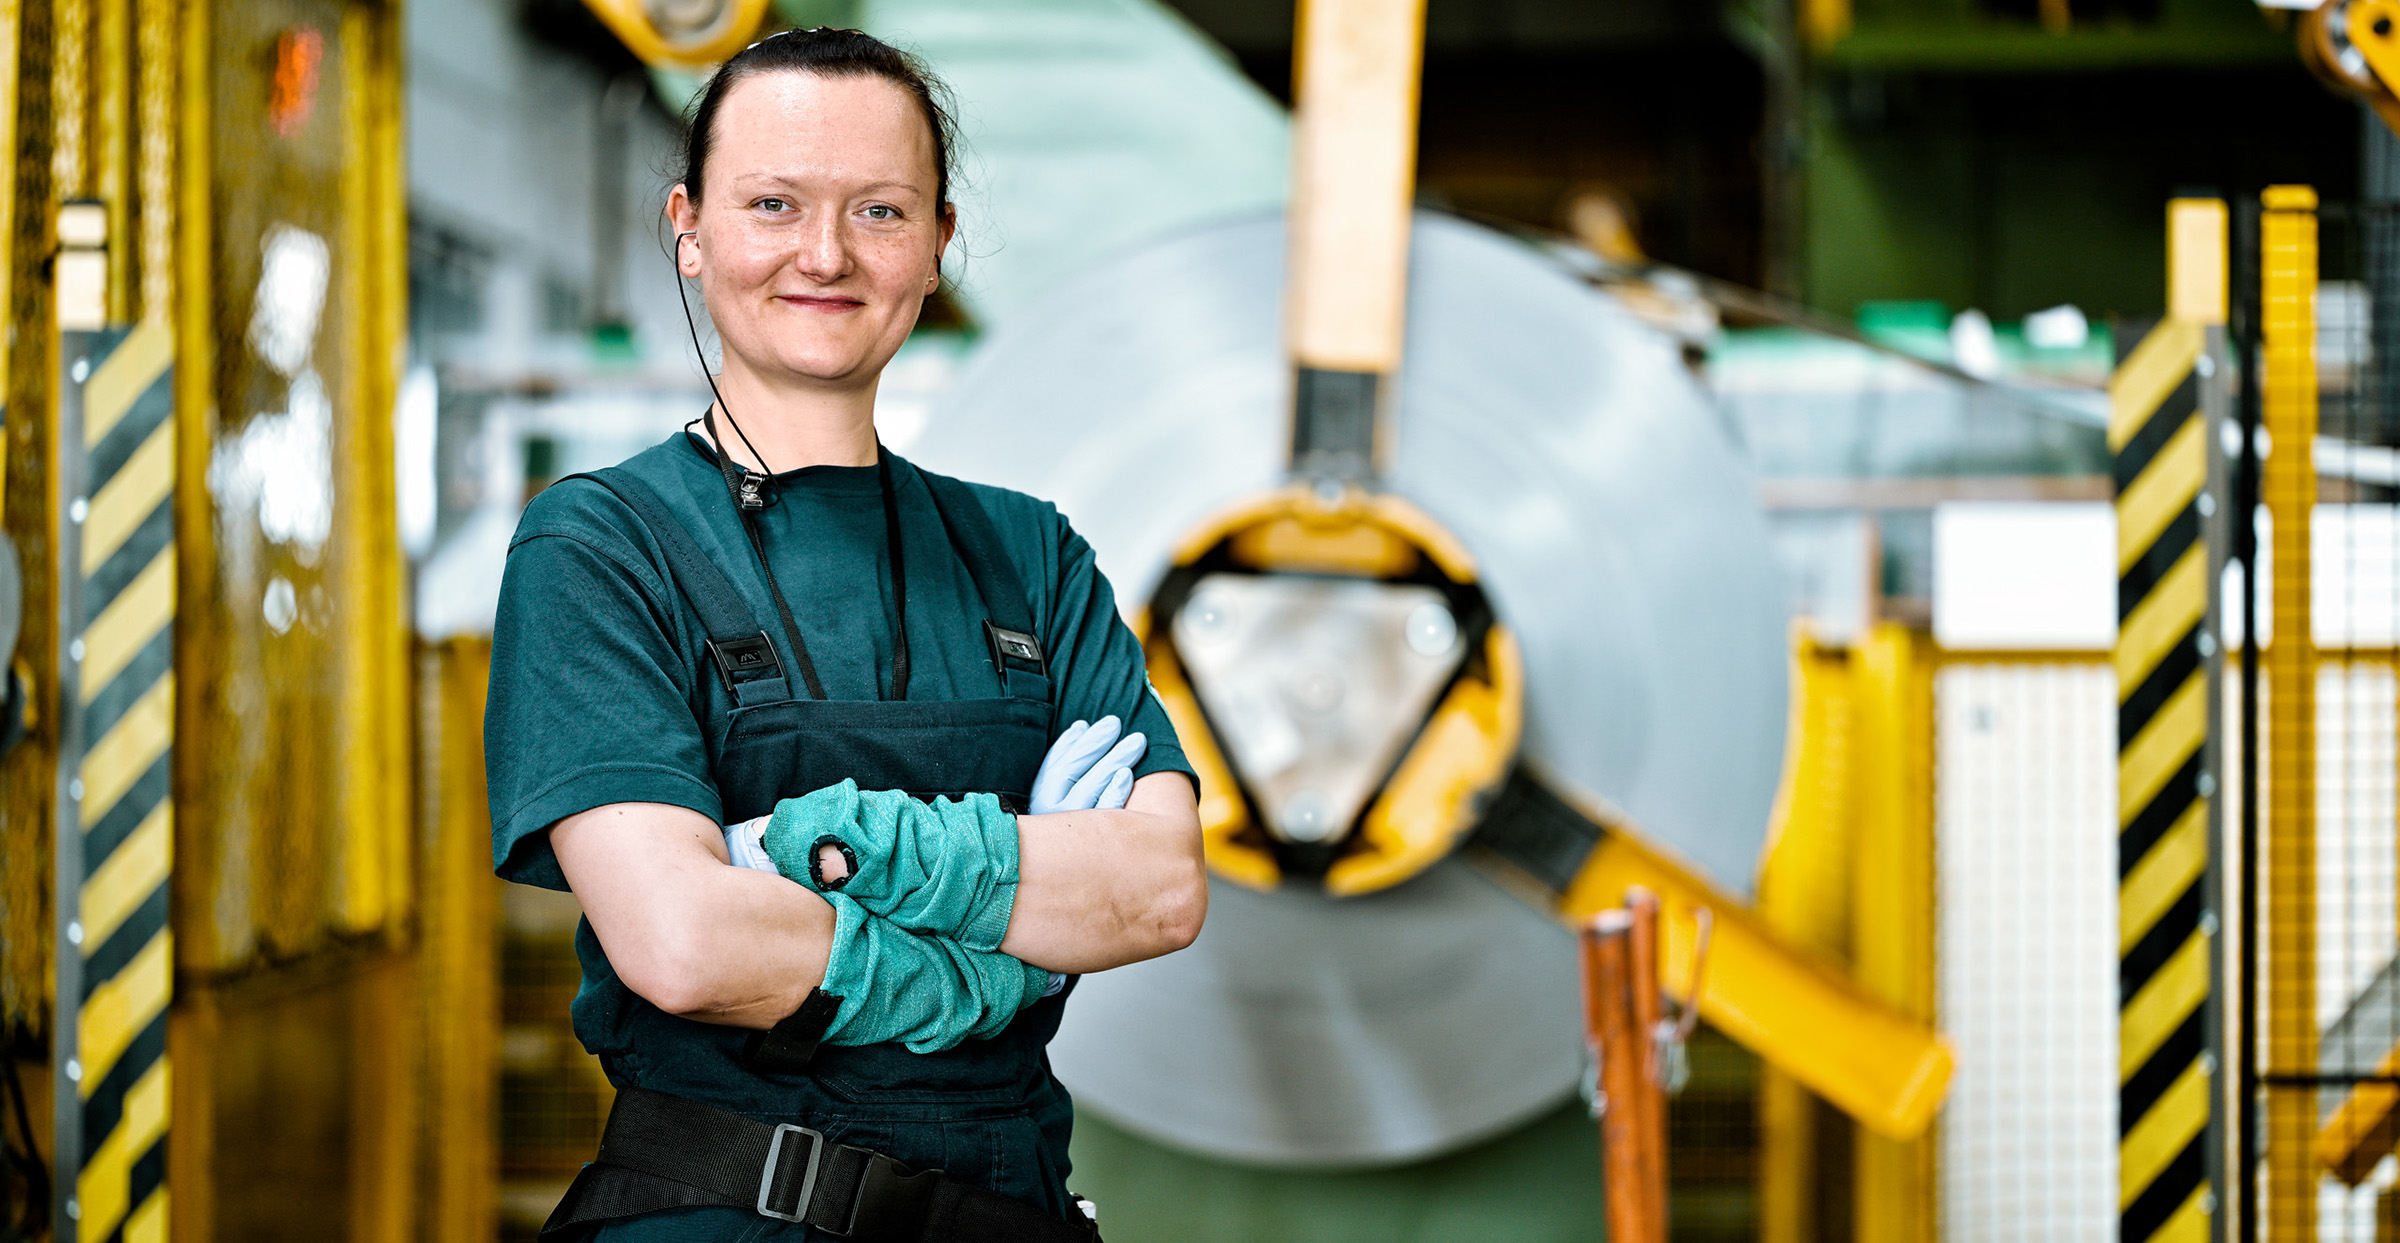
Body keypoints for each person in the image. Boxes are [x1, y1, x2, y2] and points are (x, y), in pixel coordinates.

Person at [482, 28, 1207, 1241]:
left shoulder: (1031, 556)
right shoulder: (601, 547)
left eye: (878, 210)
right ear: (691, 227)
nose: (825, 254)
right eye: (773, 204)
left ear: (936, 246)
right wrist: (1010, 951)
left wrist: (833, 849)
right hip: (724, 1214)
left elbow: (1159, 888)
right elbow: (682, 944)